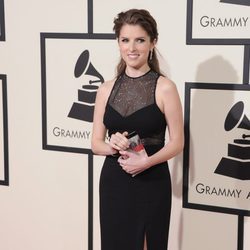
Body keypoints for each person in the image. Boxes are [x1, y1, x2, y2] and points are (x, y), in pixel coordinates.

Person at [91, 8, 184, 250]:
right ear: (118, 43)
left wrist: (146, 162)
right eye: (125, 40)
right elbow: (95, 143)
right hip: (114, 183)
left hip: (151, 182)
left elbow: (177, 142)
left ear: (153, 42)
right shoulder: (106, 89)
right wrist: (113, 146)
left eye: (140, 40)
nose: (132, 48)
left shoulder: (165, 88)